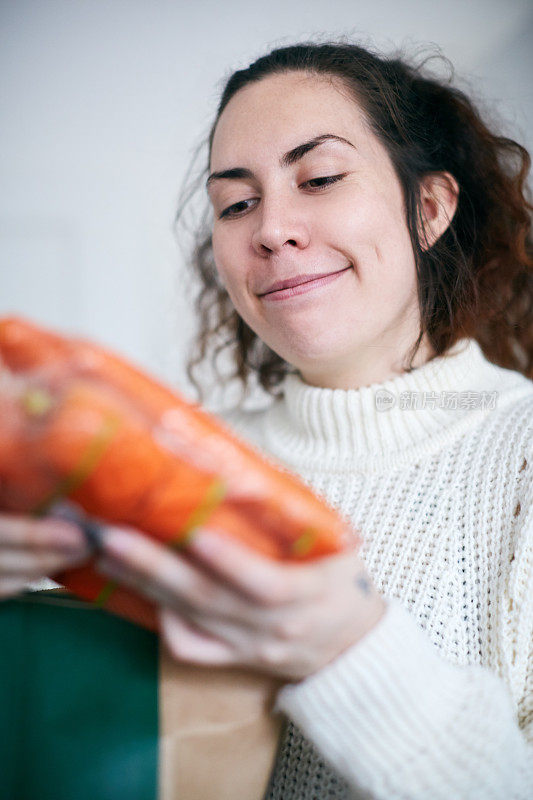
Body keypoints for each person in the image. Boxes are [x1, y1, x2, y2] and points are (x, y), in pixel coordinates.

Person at [2, 40, 532, 799]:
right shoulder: (177, 459)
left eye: (317, 178)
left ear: (430, 208)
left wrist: (346, 649)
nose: (271, 229)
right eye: (236, 203)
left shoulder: (519, 460)